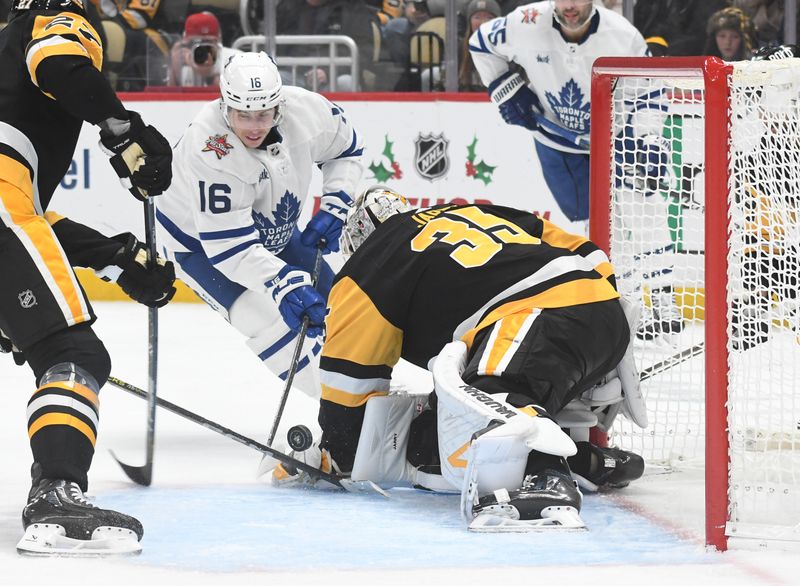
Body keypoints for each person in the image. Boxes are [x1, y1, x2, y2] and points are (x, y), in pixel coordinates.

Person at [269, 187, 647, 531]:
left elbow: (348, 388)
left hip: (536, 317)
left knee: (493, 399)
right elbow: (584, 248)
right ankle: (587, 461)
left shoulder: (370, 265)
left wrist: (333, 453)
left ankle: (549, 483)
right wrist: (602, 314)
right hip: (602, 312)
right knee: (437, 428)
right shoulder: (465, 214)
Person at [0, 0, 175, 555]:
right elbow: (57, 62)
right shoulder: (61, 16)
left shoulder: (6, 41)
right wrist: (125, 131)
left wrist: (117, 257)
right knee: (72, 352)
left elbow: (29, 219)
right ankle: (56, 489)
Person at [155, 51, 364, 399]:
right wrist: (282, 283)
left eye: (264, 114)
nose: (254, 126)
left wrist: (335, 203)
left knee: (341, 309)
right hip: (200, 247)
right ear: (225, 106)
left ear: (279, 105)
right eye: (243, 115)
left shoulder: (306, 110)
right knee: (269, 323)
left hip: (271, 233)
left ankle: (377, 398)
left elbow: (346, 149)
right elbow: (231, 248)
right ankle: (340, 409)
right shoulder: (210, 148)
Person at [468, 0, 658, 225]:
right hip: (555, 139)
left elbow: (650, 91)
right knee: (584, 220)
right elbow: (480, 42)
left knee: (638, 219)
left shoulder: (623, 36)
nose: (569, 6)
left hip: (614, 140)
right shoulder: (526, 22)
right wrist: (507, 91)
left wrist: (649, 137)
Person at [167, 11, 240, 87]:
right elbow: (169, 96)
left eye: (208, 41)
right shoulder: (182, 59)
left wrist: (209, 74)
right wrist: (174, 69)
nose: (202, 48)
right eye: (194, 42)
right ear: (185, 42)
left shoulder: (235, 60)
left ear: (218, 41)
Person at [458, 0, 502, 91]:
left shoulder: (506, 49)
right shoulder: (460, 48)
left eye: (489, 18)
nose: (482, 23)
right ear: (469, 21)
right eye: (477, 17)